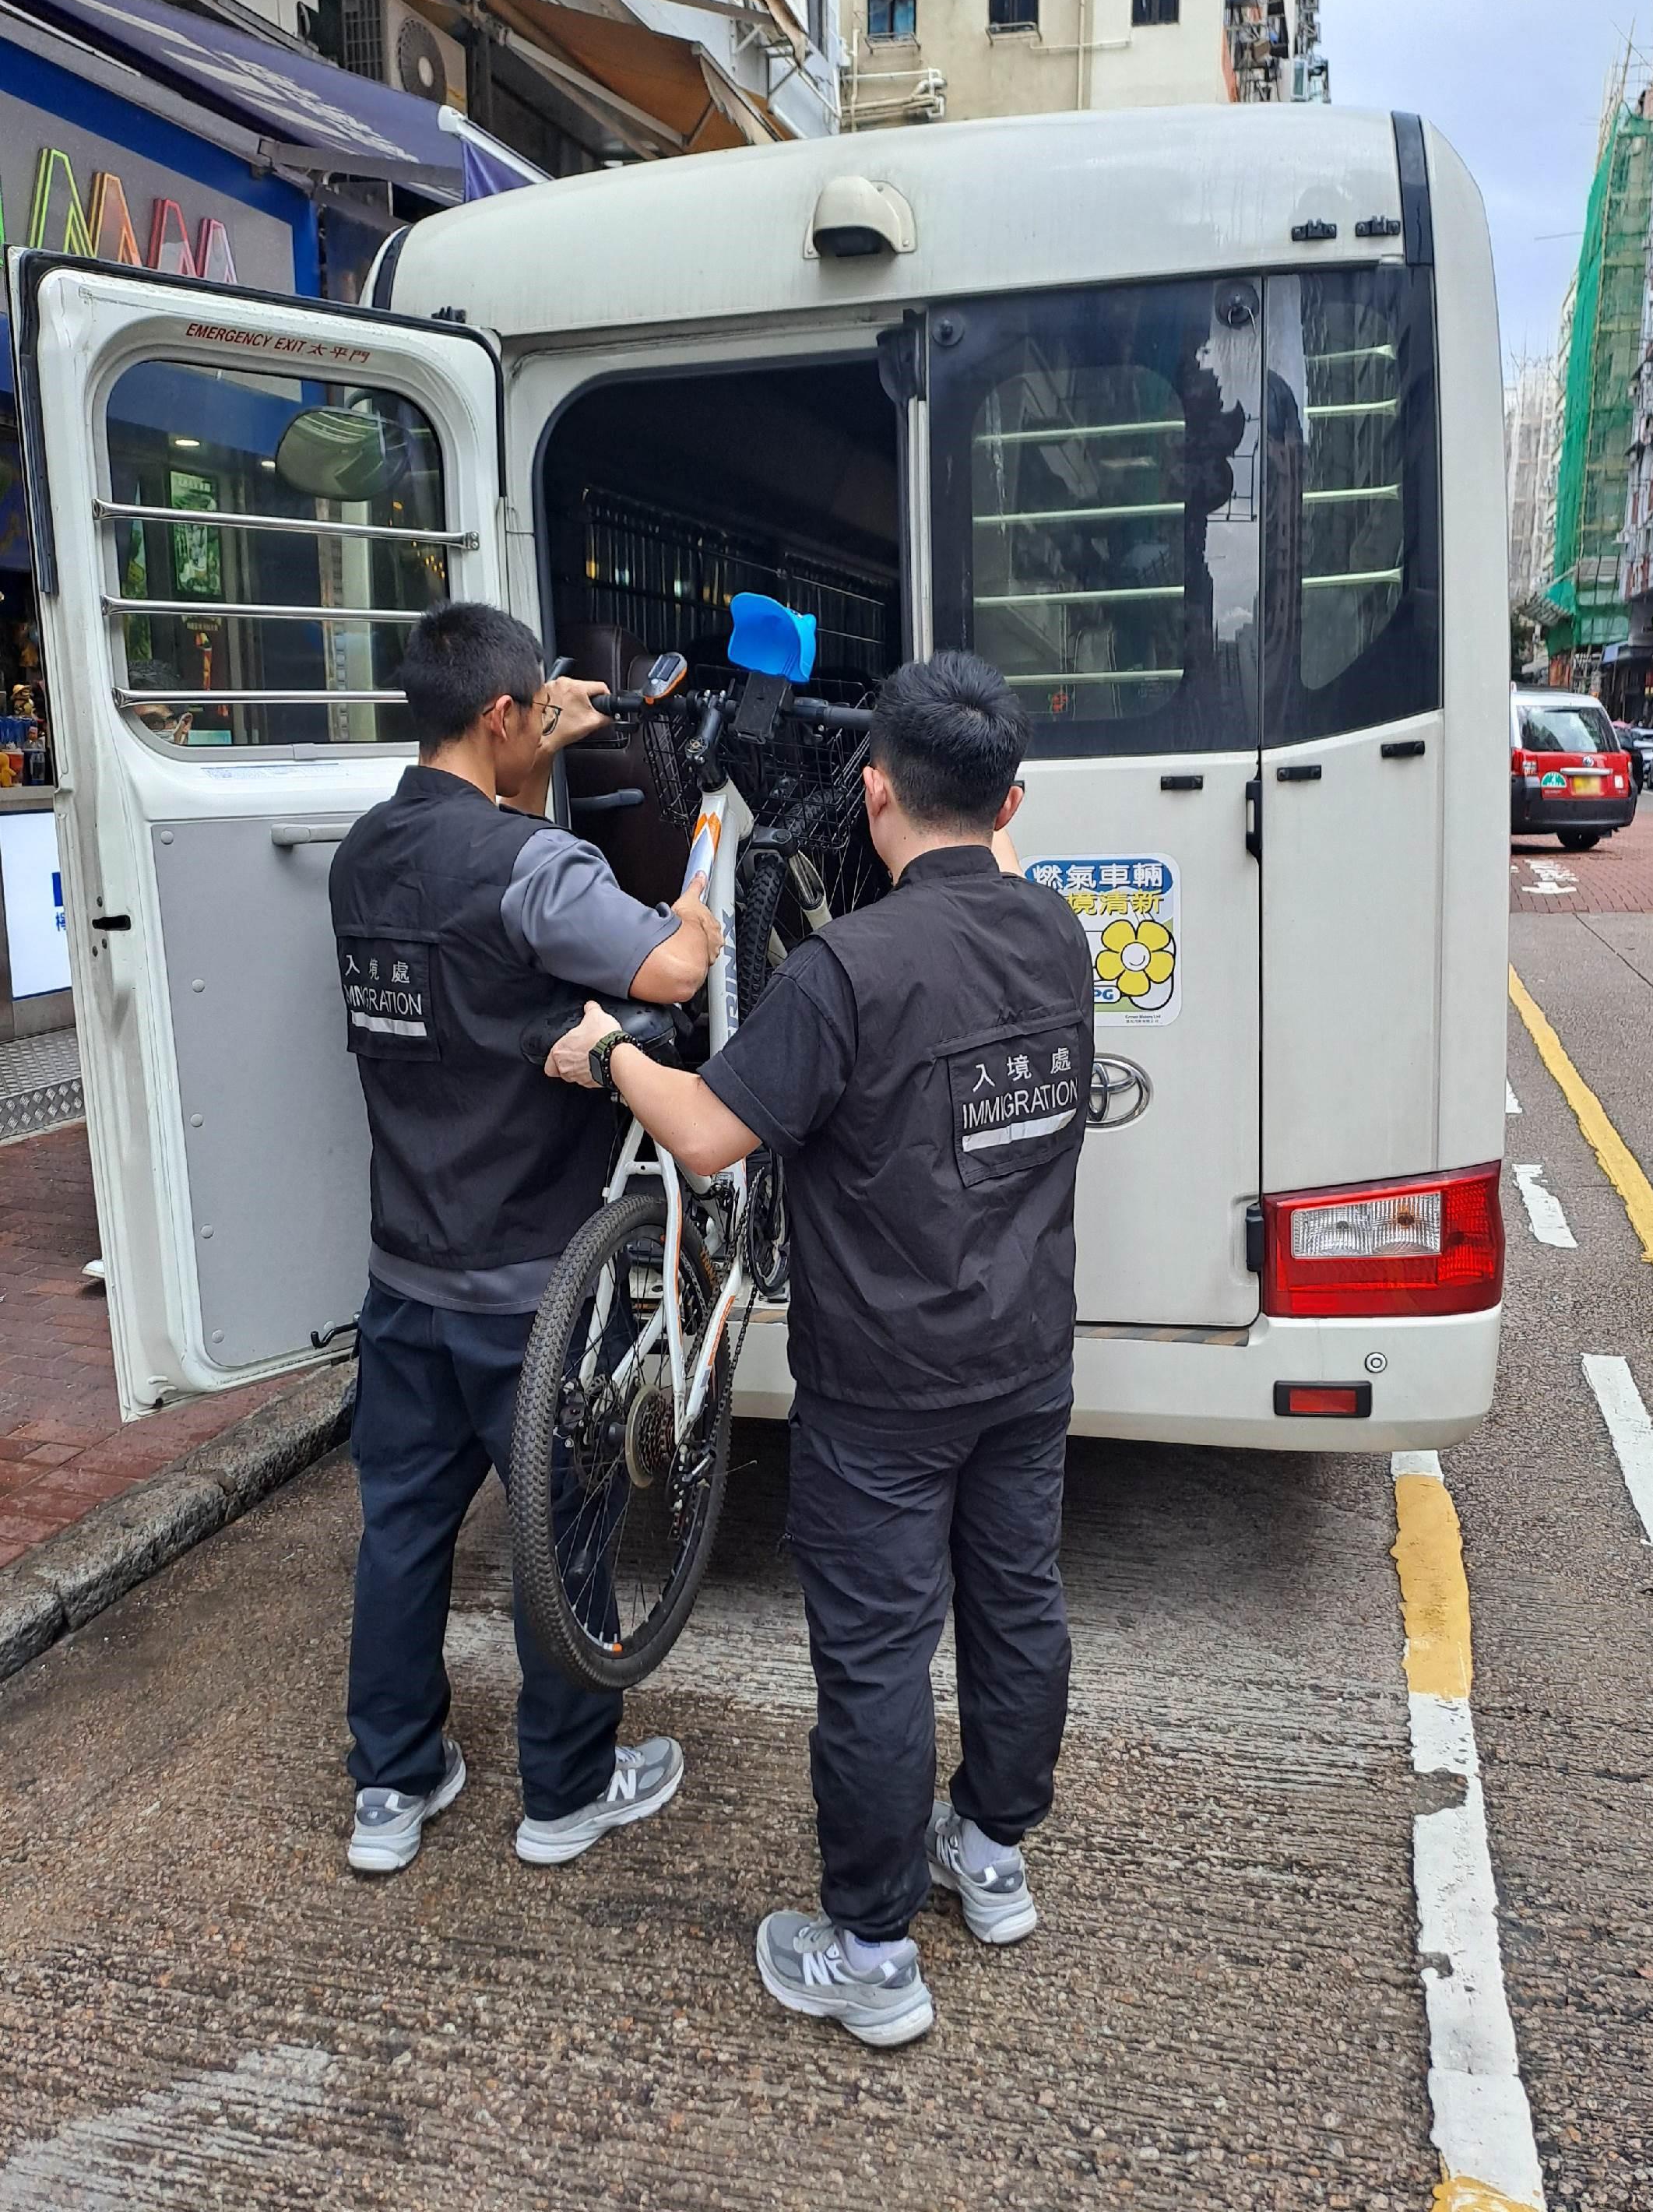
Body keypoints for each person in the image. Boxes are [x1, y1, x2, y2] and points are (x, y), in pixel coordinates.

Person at [544, 652, 1096, 2048]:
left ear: (869, 794)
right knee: (1015, 1604)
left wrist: (611, 1052)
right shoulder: (1055, 939)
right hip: (1025, 1357)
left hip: (885, 1385)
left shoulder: (847, 970)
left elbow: (711, 1131)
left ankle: (870, 1954)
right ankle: (990, 1853)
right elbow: (991, 853)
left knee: (873, 1657)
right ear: (1012, 797)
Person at [328, 600, 721, 1877]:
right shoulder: (532, 866)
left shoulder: (359, 857)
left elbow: (473, 926)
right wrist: (701, 908)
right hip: (532, 1277)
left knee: (400, 1531)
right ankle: (566, 1788)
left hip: (404, 1270)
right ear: (506, 715)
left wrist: (531, 749)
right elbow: (664, 970)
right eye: (533, 709)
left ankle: (390, 1785)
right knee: (569, 1533)